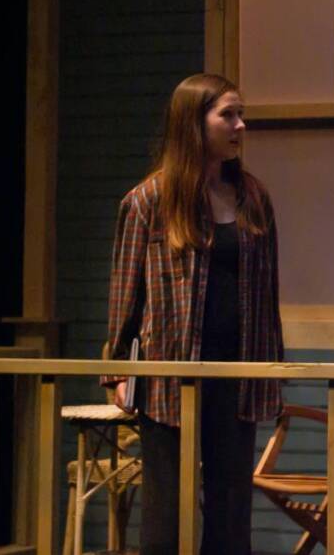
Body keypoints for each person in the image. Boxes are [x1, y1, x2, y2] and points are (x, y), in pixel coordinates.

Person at [102, 73, 283, 555]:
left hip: (236, 369)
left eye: (241, 114)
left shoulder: (253, 197)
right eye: (228, 115)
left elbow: (267, 291)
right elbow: (126, 291)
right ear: (193, 122)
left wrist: (273, 365)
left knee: (230, 508)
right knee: (167, 509)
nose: (240, 125)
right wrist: (118, 369)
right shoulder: (148, 202)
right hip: (170, 372)